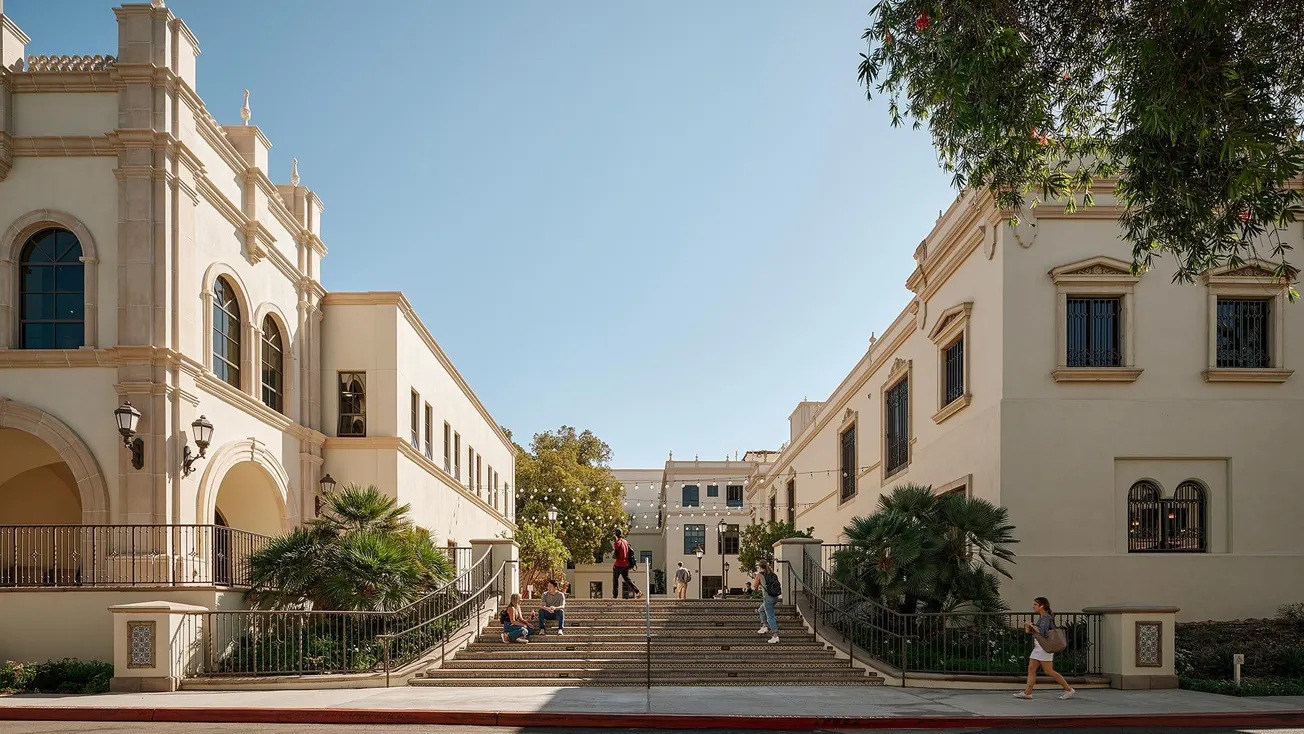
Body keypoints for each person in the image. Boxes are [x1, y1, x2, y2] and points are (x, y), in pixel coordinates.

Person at [1013, 597, 1075, 700]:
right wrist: (1028, 626)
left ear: (1042, 606)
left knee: (1049, 671)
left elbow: (1043, 632)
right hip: (1039, 647)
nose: (1033, 606)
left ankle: (1069, 689)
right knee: (1031, 669)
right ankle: (1027, 693)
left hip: (1044, 648)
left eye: (1035, 605)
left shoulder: (1046, 617)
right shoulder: (1042, 617)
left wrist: (1032, 625)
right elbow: (1030, 632)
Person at [753, 560, 780, 644]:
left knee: (770, 616)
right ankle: (764, 626)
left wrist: (756, 580)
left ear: (760, 567)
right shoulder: (773, 574)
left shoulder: (760, 575)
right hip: (775, 597)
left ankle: (775, 636)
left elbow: (755, 587)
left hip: (768, 598)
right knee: (761, 610)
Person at [610, 528, 642, 600]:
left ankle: (615, 596)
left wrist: (615, 540)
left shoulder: (618, 542)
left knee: (615, 580)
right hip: (626, 564)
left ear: (616, 535)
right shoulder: (625, 541)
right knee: (627, 579)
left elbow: (615, 548)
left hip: (619, 564)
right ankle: (638, 592)